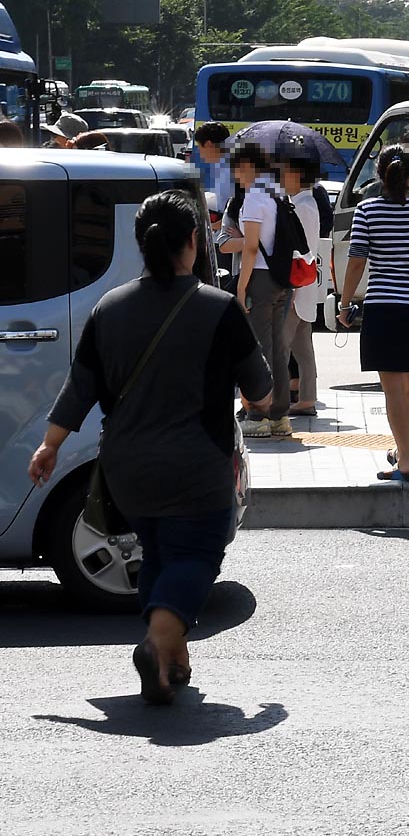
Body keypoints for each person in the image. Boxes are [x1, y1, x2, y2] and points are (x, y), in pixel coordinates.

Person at [28, 190, 271, 705]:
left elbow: (79, 389)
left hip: (126, 470)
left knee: (158, 551)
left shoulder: (109, 307)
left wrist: (49, 447)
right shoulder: (219, 308)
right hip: (198, 464)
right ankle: (160, 638)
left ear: (141, 244)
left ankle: (172, 654)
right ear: (192, 242)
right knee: (198, 553)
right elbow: (261, 390)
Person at [338, 145, 409, 483]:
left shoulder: (367, 210)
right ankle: (405, 451)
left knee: (394, 389)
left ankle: (406, 460)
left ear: (379, 173)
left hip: (384, 307)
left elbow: (357, 260)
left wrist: (344, 304)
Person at [223, 142, 291, 438]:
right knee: (277, 347)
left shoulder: (253, 198)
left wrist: (241, 285)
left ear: (247, 166)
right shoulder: (278, 193)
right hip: (281, 278)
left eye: (236, 168)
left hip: (259, 278)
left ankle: (258, 414)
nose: (235, 175)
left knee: (258, 346)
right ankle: (279, 416)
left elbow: (250, 247)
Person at [280, 157, 323, 417]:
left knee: (283, 345)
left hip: (295, 284)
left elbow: (299, 249)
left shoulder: (303, 206)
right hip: (303, 285)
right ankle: (307, 398)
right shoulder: (304, 203)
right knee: (302, 347)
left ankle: (281, 398)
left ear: (298, 175)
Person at [195, 122, 235, 280]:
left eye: (200, 146)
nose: (199, 151)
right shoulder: (225, 166)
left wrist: (213, 226)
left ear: (210, 144)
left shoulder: (227, 170)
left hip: (227, 240)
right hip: (224, 237)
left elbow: (232, 208)